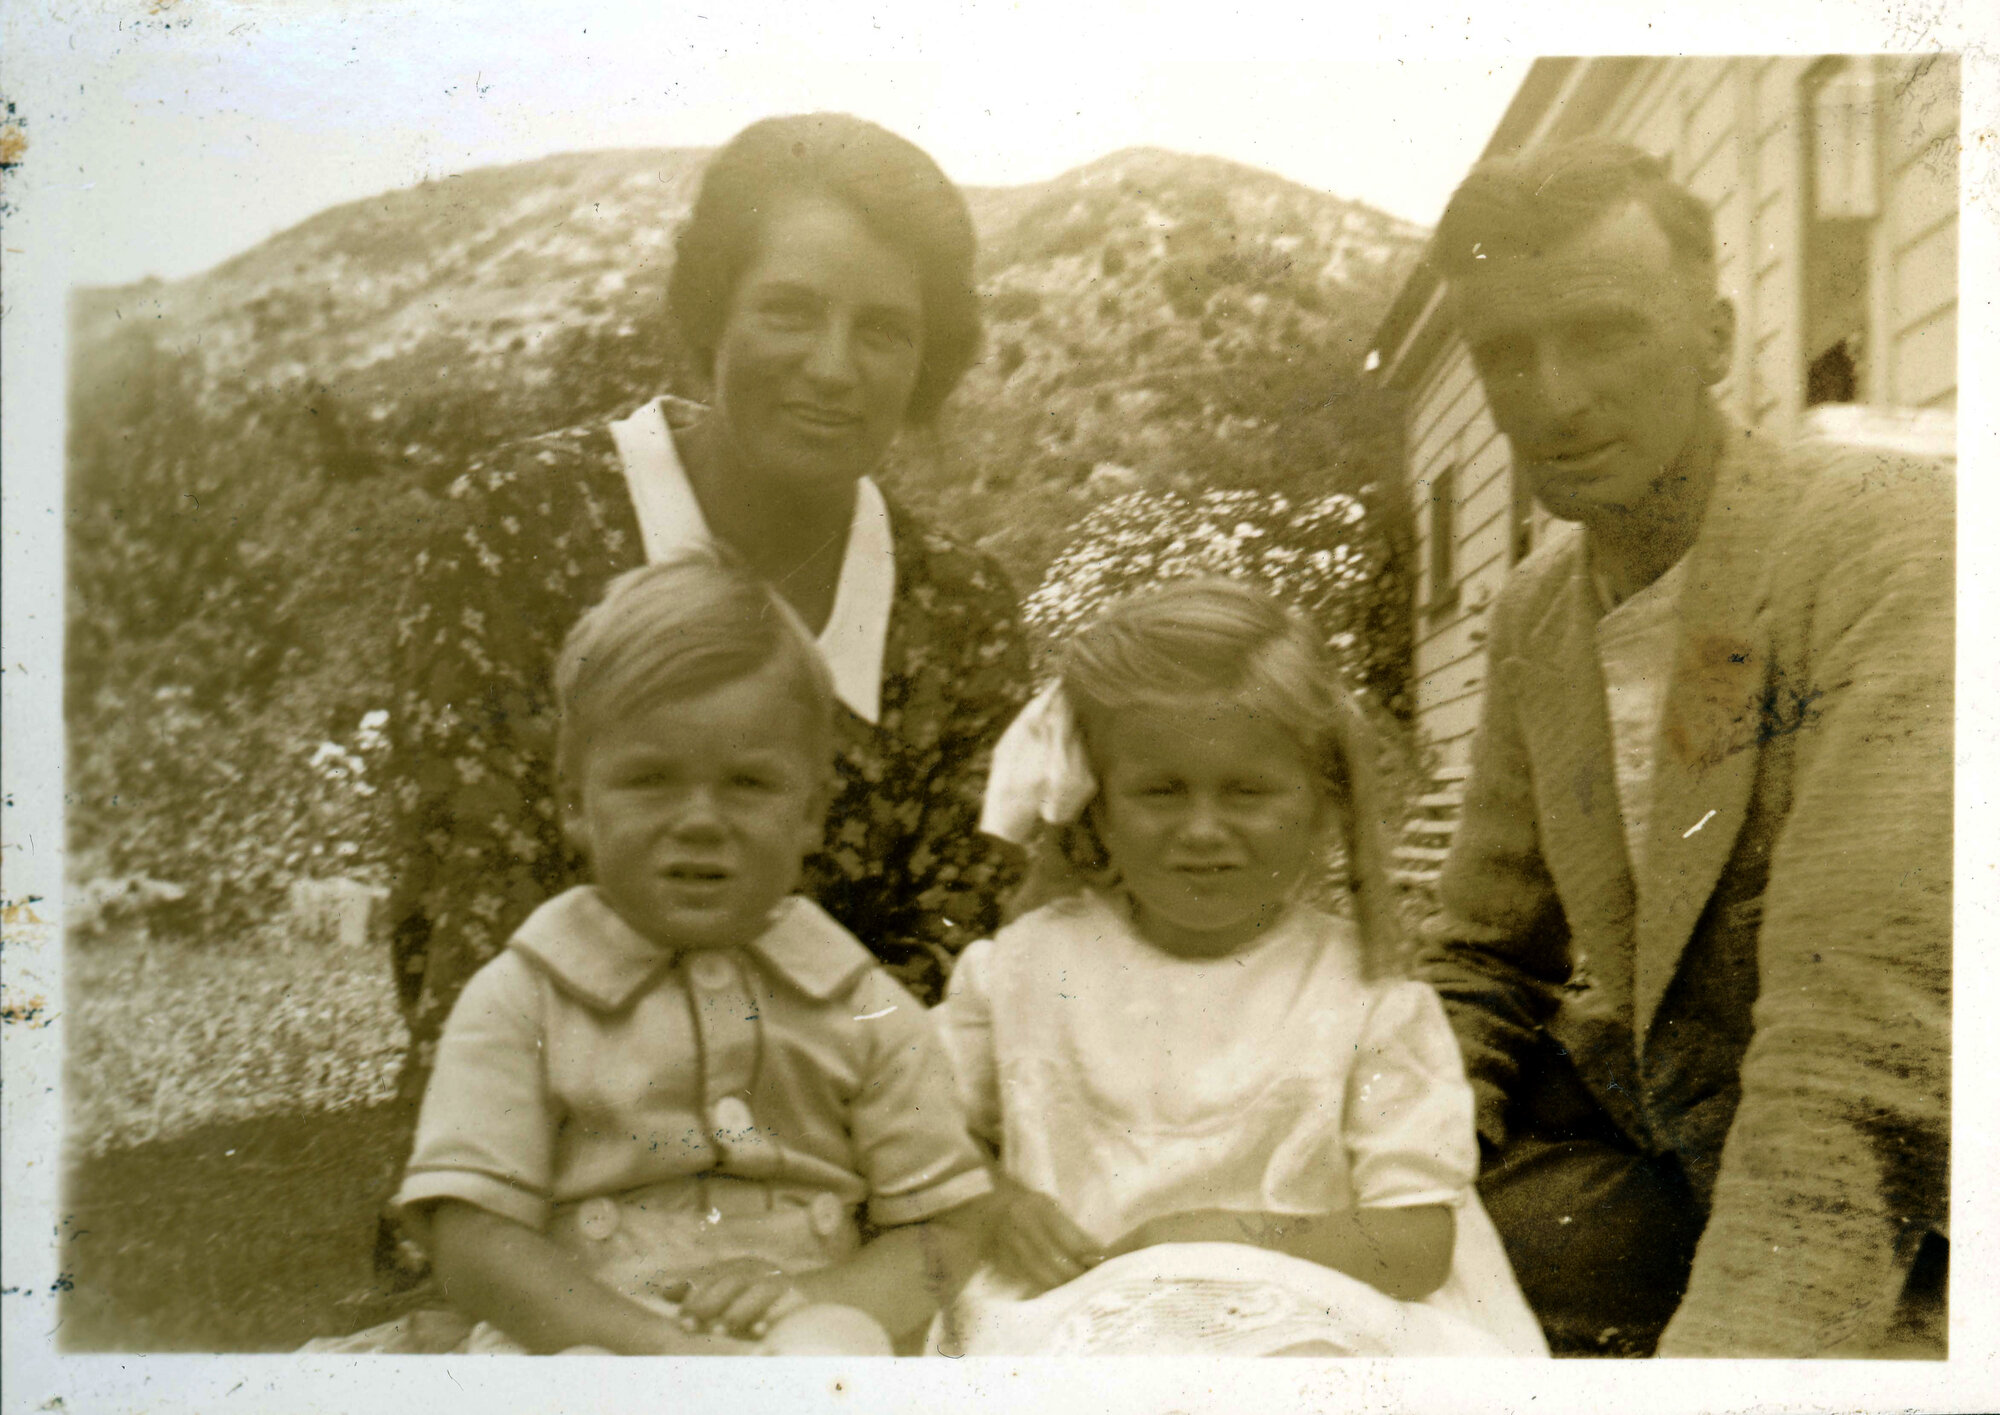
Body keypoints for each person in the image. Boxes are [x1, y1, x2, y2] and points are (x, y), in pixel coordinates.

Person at [376, 113, 1029, 1279]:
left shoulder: (959, 609)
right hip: (548, 1200)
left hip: (845, 1204)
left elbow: (948, 956)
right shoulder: (522, 526)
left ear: (926, 361)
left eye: (883, 329)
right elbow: (471, 917)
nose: (832, 365)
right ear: (712, 312)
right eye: (789, 309)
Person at [1414, 138, 1952, 1356]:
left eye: (1601, 332)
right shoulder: (1536, 614)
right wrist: (1395, 1160)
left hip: (1904, 1204)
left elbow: (1858, 1042)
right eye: (1504, 353)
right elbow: (1484, 956)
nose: (1551, 397)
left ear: (1712, 339)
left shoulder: (1885, 542)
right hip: (1676, 1152)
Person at [318, 556, 993, 1355]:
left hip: (797, 1339)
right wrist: (656, 1348)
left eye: (747, 783)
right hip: (585, 1340)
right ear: (575, 803)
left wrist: (822, 1297)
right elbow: (470, 1238)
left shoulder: (859, 1002)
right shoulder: (525, 997)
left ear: (811, 811)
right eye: (650, 780)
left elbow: (947, 1225)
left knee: (840, 1355)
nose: (700, 819)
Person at [931, 578, 1547, 1356]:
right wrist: (1000, 1205)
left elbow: (1417, 1243)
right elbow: (923, 1146)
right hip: (1069, 1323)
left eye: (1248, 791)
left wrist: (1221, 1240)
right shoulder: (1020, 972)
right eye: (1160, 791)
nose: (1202, 828)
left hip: (1306, 1321)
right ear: (1098, 806)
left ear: (1321, 804)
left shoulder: (1365, 996)